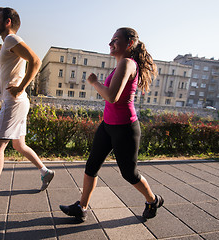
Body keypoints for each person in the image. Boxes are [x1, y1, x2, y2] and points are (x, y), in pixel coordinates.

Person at [60, 27, 163, 221]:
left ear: (129, 44)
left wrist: (94, 83)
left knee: (129, 174)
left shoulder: (127, 63)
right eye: (110, 40)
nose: (110, 44)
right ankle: (81, 207)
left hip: (125, 127)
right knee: (91, 166)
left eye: (115, 40)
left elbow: (112, 97)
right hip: (108, 125)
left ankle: (153, 200)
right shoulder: (120, 65)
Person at [0, 7, 54, 201]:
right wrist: (0, 78)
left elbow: (36, 61)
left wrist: (21, 87)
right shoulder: (9, 43)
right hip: (19, 101)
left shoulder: (11, 39)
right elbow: (16, 71)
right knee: (19, 145)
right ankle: (45, 172)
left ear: (7, 22)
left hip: (14, 101)